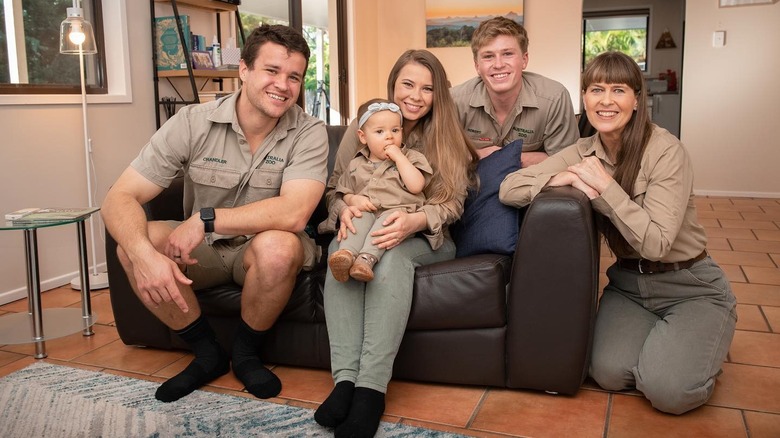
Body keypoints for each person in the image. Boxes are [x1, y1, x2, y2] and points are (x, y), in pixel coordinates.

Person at [498, 51, 737, 414]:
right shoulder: (582, 151)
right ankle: (668, 344)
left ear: (637, 99)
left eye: (618, 90)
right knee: (605, 374)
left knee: (669, 393)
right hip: (628, 287)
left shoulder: (666, 151)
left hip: (690, 287)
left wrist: (605, 186)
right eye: (596, 90)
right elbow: (509, 188)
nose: (606, 101)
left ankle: (705, 334)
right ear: (584, 98)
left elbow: (656, 244)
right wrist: (557, 177)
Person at [101, 25, 328, 403]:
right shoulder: (191, 122)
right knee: (132, 247)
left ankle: (245, 354)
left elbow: (294, 212)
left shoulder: (309, 132)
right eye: (271, 71)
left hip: (258, 247)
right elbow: (119, 196)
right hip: (200, 251)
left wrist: (206, 218)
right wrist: (145, 257)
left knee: (279, 247)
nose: (283, 85)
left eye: (294, 77)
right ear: (243, 70)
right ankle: (207, 354)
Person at [314, 50, 478, 437]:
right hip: (366, 224)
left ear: (438, 94)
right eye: (407, 84)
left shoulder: (445, 134)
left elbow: (453, 204)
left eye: (427, 88)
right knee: (342, 257)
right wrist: (345, 208)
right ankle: (345, 384)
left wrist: (414, 220)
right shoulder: (366, 124)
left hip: (425, 237)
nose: (416, 96)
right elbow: (336, 188)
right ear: (393, 85)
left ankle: (370, 390)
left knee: (388, 264)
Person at [451, 16, 579, 166]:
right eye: (488, 56)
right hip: (472, 185)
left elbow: (566, 161)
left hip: (533, 186)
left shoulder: (554, 98)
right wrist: (479, 155)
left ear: (524, 60)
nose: (498, 64)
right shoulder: (454, 100)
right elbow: (440, 156)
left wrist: (501, 157)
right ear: (477, 66)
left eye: (507, 54)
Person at [328, 99, 432, 283]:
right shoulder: (355, 164)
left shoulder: (411, 158)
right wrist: (352, 200)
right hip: (368, 212)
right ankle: (346, 255)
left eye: (395, 130)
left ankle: (365, 260)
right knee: (357, 218)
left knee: (386, 221)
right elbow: (343, 192)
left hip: (397, 216)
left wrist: (399, 158)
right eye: (379, 132)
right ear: (362, 137)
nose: (389, 137)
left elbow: (416, 186)